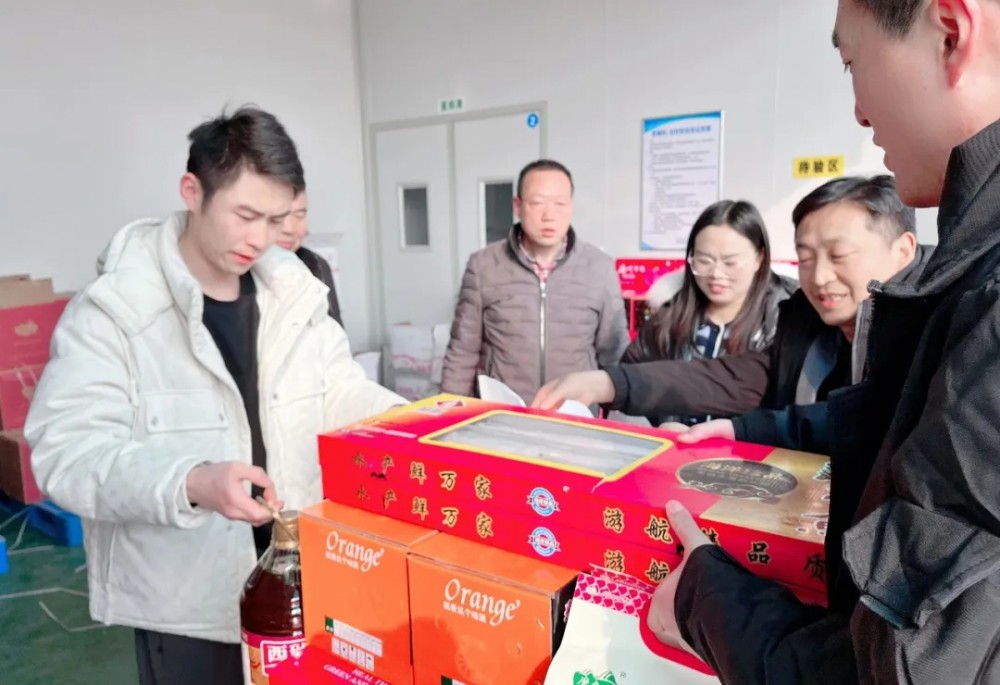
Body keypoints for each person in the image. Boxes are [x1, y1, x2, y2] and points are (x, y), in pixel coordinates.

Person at [646, 1, 1000, 682]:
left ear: (950, 33)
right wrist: (731, 425)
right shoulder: (825, 317)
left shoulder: (981, 298)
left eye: (851, 62)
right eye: (805, 257)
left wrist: (706, 599)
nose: (860, 113)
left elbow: (911, 660)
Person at [23, 107, 406, 685]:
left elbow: (340, 389)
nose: (261, 239)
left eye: (275, 220)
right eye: (245, 215)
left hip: (300, 579)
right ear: (193, 191)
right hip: (187, 609)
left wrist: (415, 421)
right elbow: (68, 452)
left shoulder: (294, 292)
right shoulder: (116, 310)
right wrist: (191, 481)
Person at [532, 176, 927, 431]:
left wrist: (740, 431)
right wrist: (611, 383)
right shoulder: (804, 325)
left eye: (839, 255)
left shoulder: (934, 335)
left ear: (902, 251)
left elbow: (852, 424)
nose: (821, 276)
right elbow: (728, 379)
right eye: (806, 258)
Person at [440, 159, 629, 404]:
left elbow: (615, 356)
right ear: (518, 206)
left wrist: (619, 418)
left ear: (571, 206)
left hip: (573, 413)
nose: (549, 216)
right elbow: (462, 352)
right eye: (537, 203)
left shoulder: (599, 268)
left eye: (559, 204)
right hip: (502, 412)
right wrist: (449, 412)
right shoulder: (483, 266)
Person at [621, 199, 797, 425]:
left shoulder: (784, 318)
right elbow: (633, 373)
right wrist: (663, 421)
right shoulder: (672, 313)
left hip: (748, 446)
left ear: (759, 258)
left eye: (730, 263)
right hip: (678, 445)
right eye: (704, 260)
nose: (716, 274)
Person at [276, 189, 343, 326]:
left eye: (299, 215)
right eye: (278, 216)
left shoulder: (316, 265)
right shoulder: (239, 273)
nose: (289, 229)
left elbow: (336, 333)